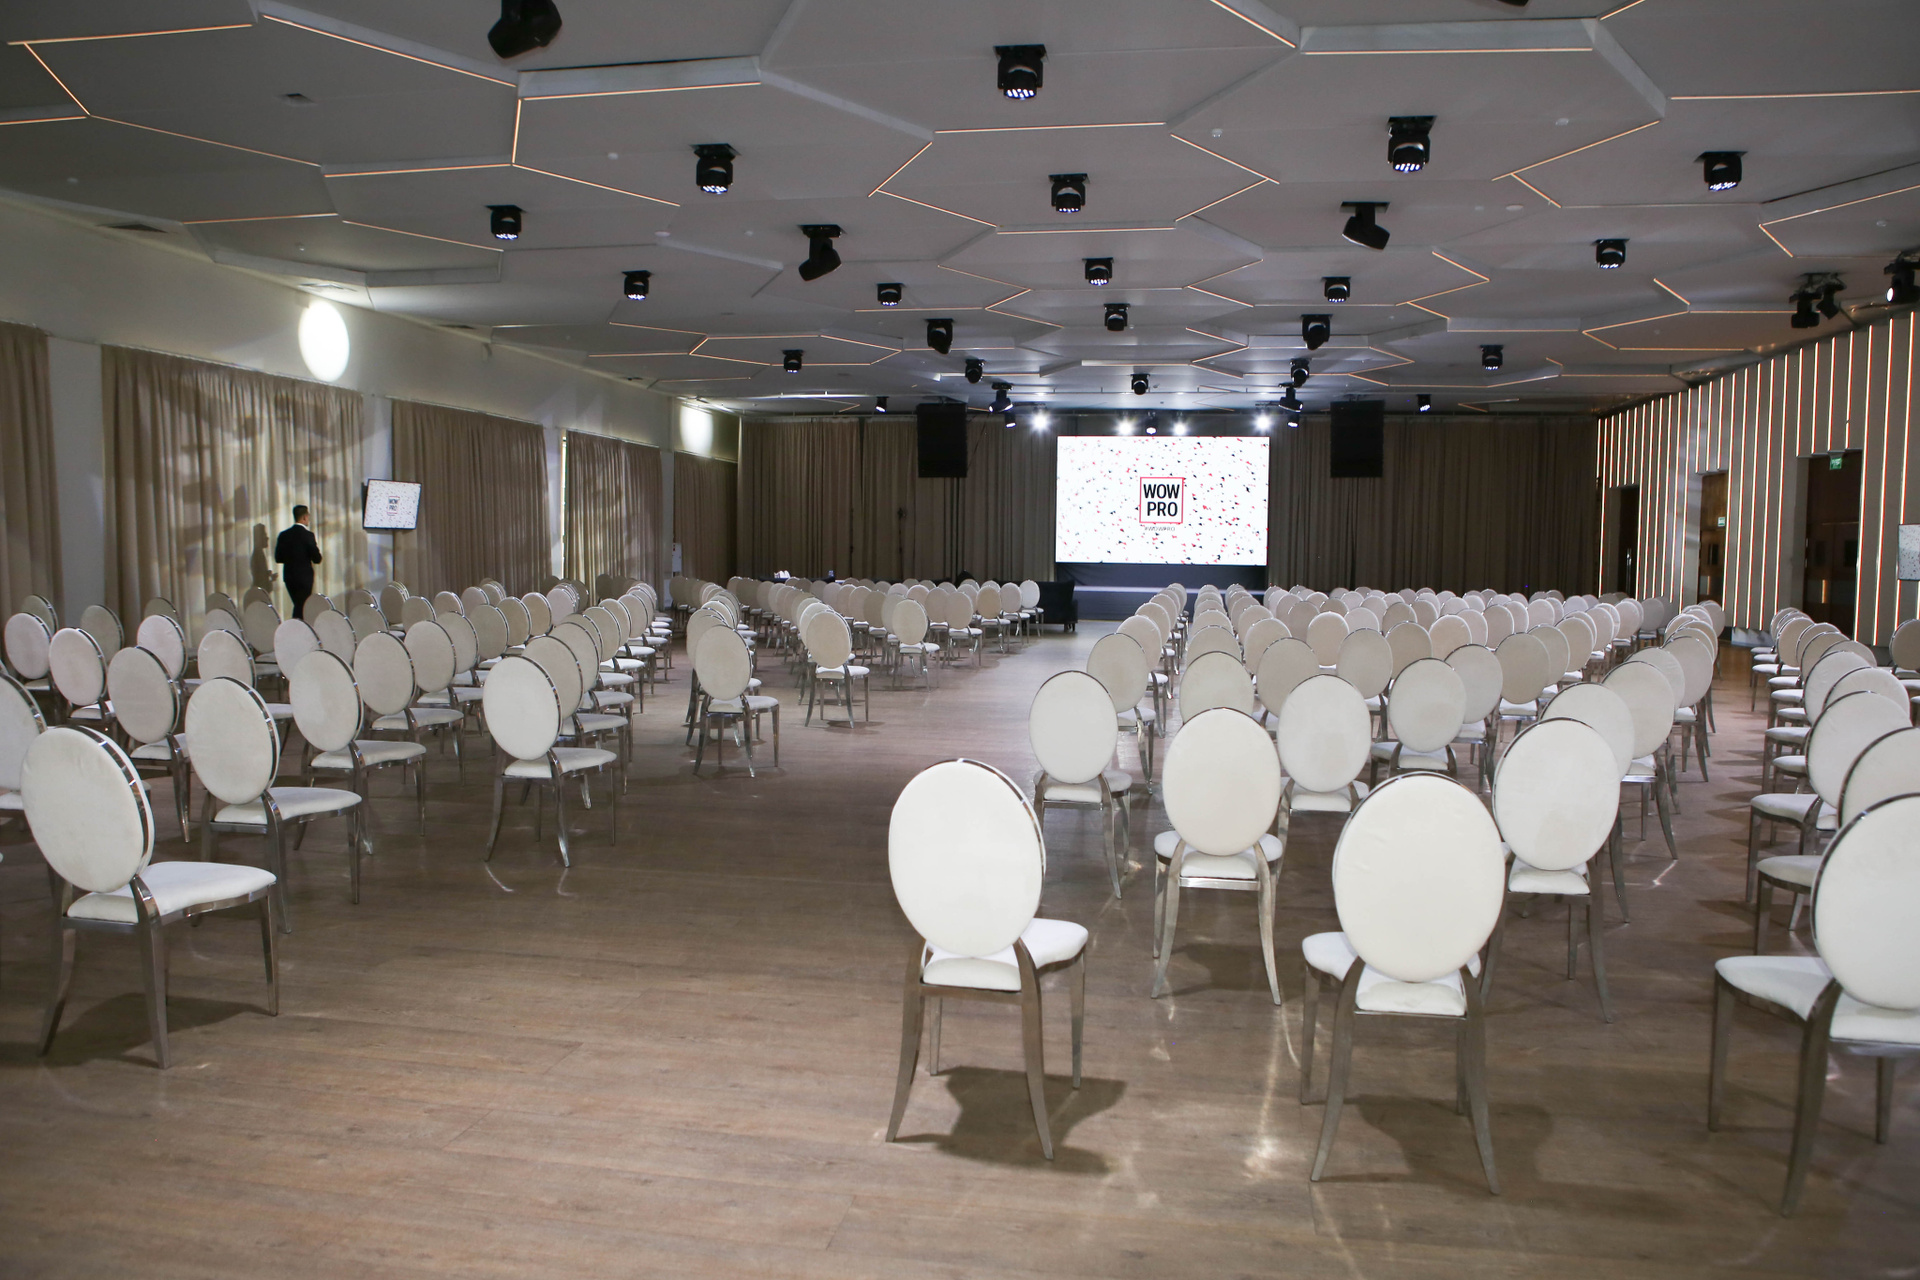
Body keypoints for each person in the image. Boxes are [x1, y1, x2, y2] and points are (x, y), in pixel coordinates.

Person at [274, 505, 323, 619]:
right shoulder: (308, 535)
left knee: (299, 605)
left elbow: (278, 558)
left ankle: (297, 625)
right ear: (305, 517)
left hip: (289, 577)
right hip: (304, 578)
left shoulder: (284, 535)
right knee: (302, 607)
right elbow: (317, 559)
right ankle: (296, 626)